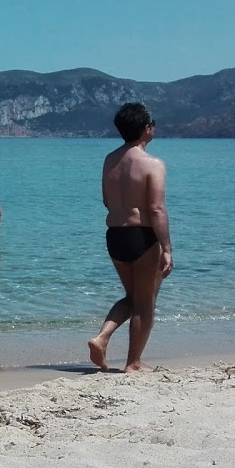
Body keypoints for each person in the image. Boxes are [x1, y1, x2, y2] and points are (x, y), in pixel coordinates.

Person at [88, 102, 172, 373]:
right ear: (146, 129)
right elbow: (156, 208)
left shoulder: (110, 160)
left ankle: (102, 337)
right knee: (145, 303)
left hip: (115, 235)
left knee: (133, 297)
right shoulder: (152, 164)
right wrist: (167, 248)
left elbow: (105, 200)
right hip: (142, 237)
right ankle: (133, 363)